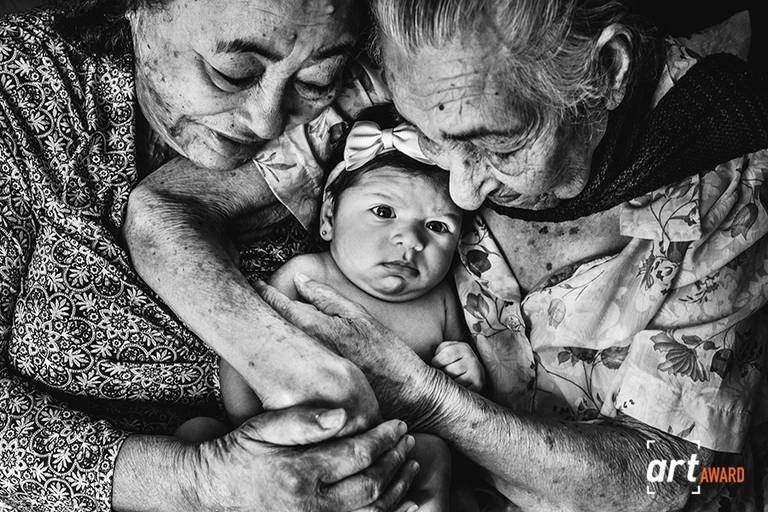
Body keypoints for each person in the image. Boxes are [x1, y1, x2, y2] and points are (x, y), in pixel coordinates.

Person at [126, 0, 768, 510]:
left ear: (608, 70)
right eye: (429, 137)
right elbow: (164, 212)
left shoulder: (725, 187)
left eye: (497, 144)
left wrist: (427, 397)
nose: (460, 194)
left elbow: (678, 477)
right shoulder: (414, 67)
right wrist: (287, 366)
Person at [0, 1, 423, 510]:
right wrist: (199, 481)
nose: (266, 121)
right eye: (232, 72)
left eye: (315, 81)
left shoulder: (367, 121)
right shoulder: (25, 80)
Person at [207, 114, 485, 512]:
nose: (411, 239)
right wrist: (248, 421)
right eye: (384, 211)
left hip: (391, 454)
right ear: (328, 217)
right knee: (199, 434)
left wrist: (467, 370)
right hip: (296, 445)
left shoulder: (441, 300)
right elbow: (244, 346)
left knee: (434, 455)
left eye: (438, 226)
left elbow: (460, 379)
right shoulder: (306, 276)